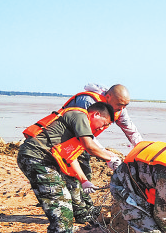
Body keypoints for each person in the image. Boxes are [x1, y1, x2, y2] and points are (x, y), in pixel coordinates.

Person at [17, 102, 120, 233]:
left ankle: (54, 230)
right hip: (37, 158)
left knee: (51, 197)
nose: (102, 129)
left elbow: (71, 158)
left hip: (33, 157)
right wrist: (110, 159)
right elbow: (90, 146)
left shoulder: (74, 129)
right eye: (104, 124)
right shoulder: (80, 116)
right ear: (96, 114)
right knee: (61, 198)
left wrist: (84, 181)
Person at [62, 84, 144, 223]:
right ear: (108, 97)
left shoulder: (119, 107)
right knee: (73, 176)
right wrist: (108, 157)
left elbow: (130, 129)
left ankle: (87, 207)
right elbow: (86, 135)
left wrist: (142, 149)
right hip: (65, 140)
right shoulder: (88, 102)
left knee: (86, 173)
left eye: (125, 105)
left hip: (82, 142)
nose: (122, 109)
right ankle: (80, 213)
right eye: (120, 105)